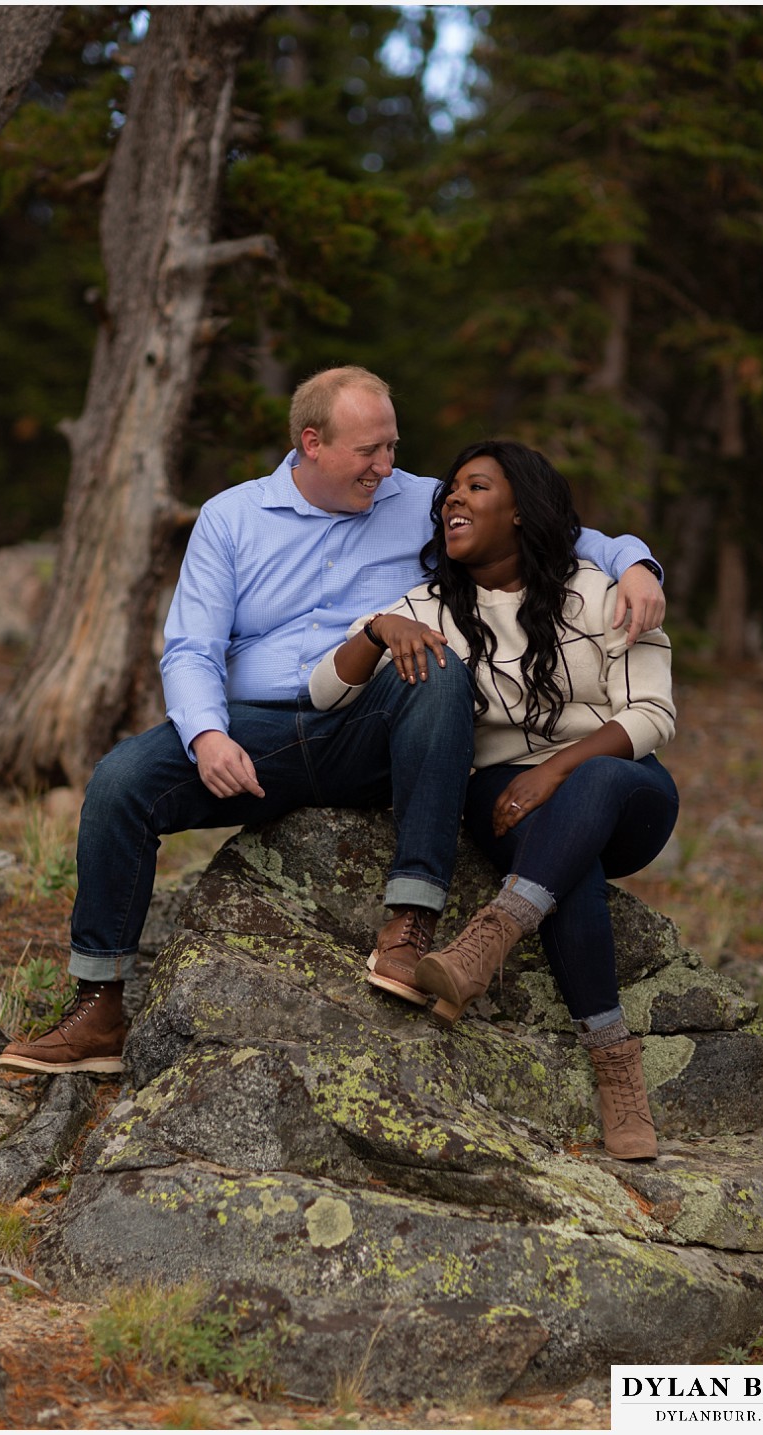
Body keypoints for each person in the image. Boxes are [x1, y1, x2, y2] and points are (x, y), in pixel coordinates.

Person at [0, 371, 665, 1077]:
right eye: (369, 451)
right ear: (311, 443)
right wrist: (207, 734)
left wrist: (636, 562)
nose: (386, 466)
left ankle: (410, 922)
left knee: (437, 670)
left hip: (370, 727)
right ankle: (98, 1004)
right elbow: (192, 647)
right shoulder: (231, 517)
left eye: (392, 447)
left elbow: (555, 527)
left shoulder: (420, 502)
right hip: (259, 734)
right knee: (119, 781)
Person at [310, 439, 678, 1160]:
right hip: (501, 798)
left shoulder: (605, 592)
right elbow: (326, 691)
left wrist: (556, 769)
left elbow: (654, 715)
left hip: (619, 786)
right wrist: (378, 630)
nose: (451, 499)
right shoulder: (431, 606)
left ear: (520, 512)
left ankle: (492, 936)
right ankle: (617, 1069)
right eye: (449, 490)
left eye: (475, 488)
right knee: (568, 879)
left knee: (593, 782)